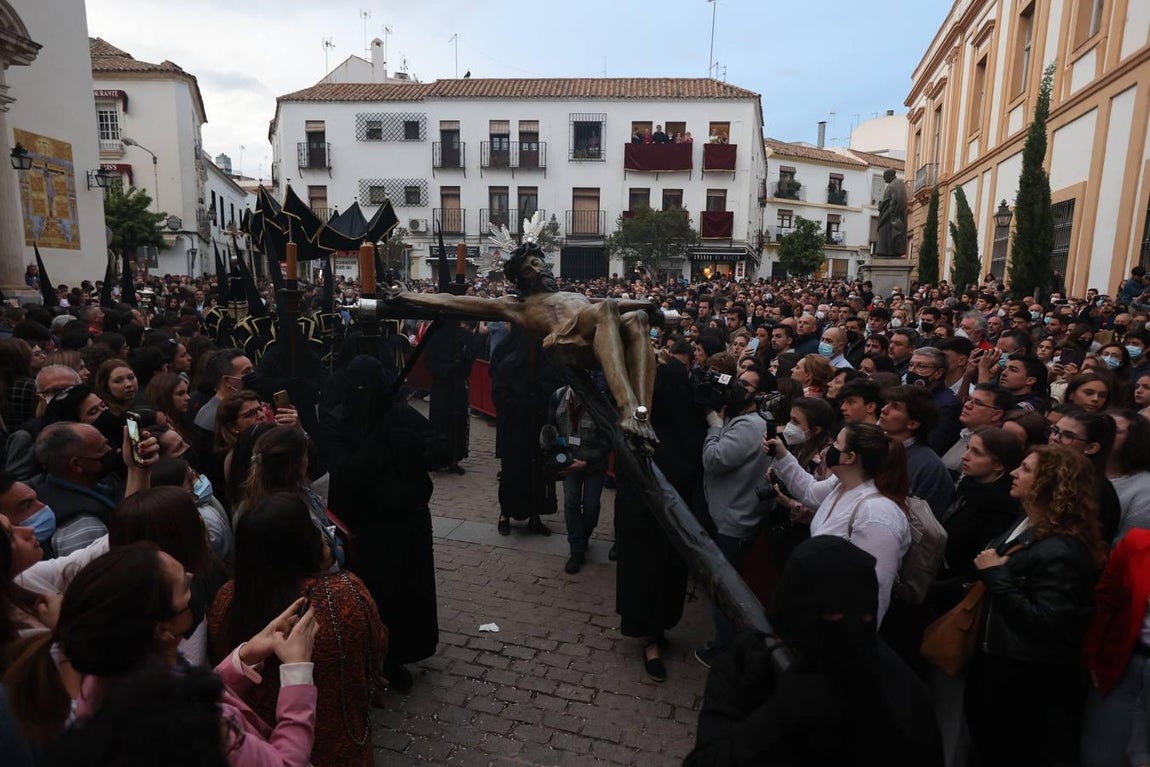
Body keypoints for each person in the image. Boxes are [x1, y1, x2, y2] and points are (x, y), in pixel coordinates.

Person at [2, 543, 319, 762]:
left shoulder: (103, 676)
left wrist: (246, 655)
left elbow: (182, 688)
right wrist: (297, 672)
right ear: (164, 630)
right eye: (183, 586)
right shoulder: (200, 729)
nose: (193, 580)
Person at [684, 536, 942, 766]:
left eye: (864, 614)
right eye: (831, 613)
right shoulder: (748, 661)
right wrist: (775, 718)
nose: (850, 628)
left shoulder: (900, 694)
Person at [210, 492, 385, 767]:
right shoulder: (345, 594)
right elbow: (376, 651)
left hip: (256, 738)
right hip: (332, 738)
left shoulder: (227, 598)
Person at [966, 446, 1104, 767]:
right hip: (999, 664)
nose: (1014, 473)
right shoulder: (1027, 525)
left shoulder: (1063, 550)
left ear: (1051, 483)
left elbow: (1047, 621)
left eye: (1026, 470)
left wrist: (996, 576)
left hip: (1024, 681)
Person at [326, 355, 448, 692]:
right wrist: (376, 439)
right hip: (367, 527)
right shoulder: (339, 421)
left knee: (408, 593)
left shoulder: (398, 415)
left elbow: (440, 448)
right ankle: (374, 655)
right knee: (376, 593)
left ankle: (402, 650)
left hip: (407, 521)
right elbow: (347, 475)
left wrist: (411, 442)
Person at [764, 422, 911, 623]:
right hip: (815, 606)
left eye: (837, 445)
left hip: (836, 627)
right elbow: (809, 492)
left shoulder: (878, 514)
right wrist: (782, 455)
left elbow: (876, 590)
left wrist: (849, 641)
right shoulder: (842, 484)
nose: (829, 449)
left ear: (850, 458)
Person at [694, 364, 775, 668]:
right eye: (739, 382)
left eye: (748, 386)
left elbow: (715, 460)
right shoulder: (746, 419)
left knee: (724, 591)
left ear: (761, 395)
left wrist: (714, 426)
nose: (739, 388)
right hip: (736, 513)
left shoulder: (748, 426)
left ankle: (724, 652)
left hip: (734, 521)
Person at [1082, 528, 1150, 767]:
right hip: (1126, 665)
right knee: (1102, 755)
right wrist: (1092, 655)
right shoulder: (1136, 543)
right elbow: (1106, 600)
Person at [554, 384, 610, 574]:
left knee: (591, 505)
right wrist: (560, 457)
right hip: (569, 463)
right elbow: (552, 429)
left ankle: (583, 535)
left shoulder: (599, 401)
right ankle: (576, 550)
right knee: (571, 502)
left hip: (593, 464)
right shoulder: (558, 396)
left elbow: (607, 439)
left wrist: (587, 462)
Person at [422, 321, 475, 474]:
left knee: (457, 422)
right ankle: (437, 457)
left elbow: (471, 356)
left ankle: (454, 458)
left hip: (458, 385)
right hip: (441, 386)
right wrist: (446, 369)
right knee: (440, 421)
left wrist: (464, 360)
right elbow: (429, 361)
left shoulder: (464, 335)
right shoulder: (436, 335)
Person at [1106, 409, 1150, 540]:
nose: (1104, 434)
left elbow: (1128, 543)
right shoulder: (1085, 470)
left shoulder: (1144, 491)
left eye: (1115, 430)